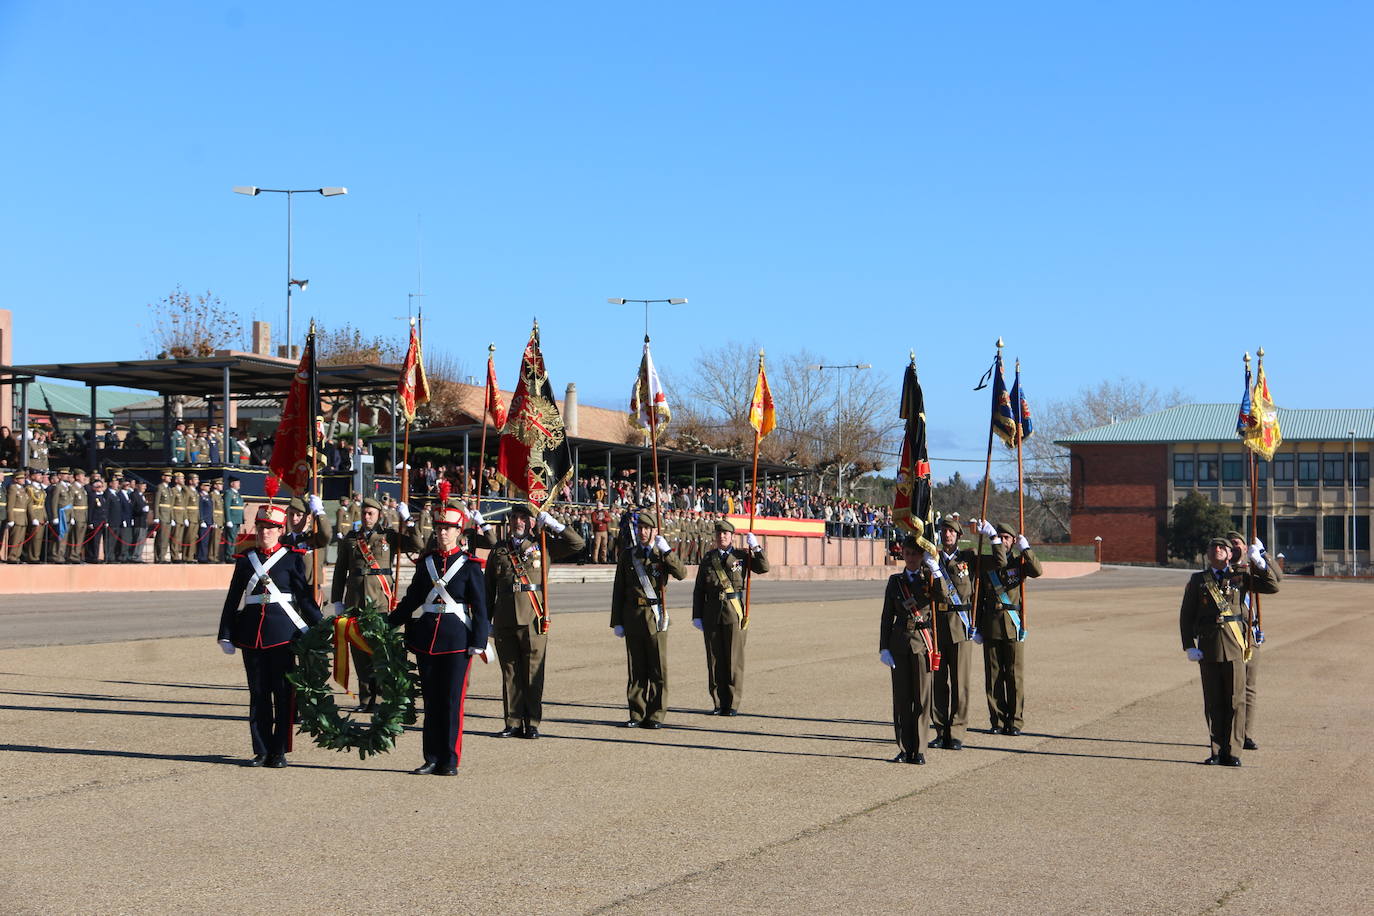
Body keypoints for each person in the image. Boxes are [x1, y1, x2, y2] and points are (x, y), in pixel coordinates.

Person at [217, 503, 323, 768]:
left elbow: (304, 597)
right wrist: (226, 634)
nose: (265, 533)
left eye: (271, 528)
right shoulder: (245, 560)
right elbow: (232, 599)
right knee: (258, 694)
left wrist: (322, 625)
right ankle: (261, 749)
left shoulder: (292, 558)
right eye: (262, 527)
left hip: (284, 635)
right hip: (251, 635)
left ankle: (279, 750)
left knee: (284, 694)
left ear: (280, 530)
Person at [388, 504, 491, 775]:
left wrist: (478, 641)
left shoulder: (469, 566)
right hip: (427, 640)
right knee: (431, 702)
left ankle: (450, 758)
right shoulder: (427, 563)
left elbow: (480, 608)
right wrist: (388, 623)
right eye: (439, 528)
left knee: (451, 702)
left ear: (459, 532)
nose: (443, 533)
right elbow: (411, 600)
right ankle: (431, 756)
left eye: (448, 528)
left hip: (457, 641)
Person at [485, 504, 585, 739]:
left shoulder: (543, 544)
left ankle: (532, 722)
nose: (518, 521)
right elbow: (487, 589)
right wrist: (486, 621)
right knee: (509, 671)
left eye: (523, 518)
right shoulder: (499, 550)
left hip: (533, 617)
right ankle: (512, 721)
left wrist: (555, 525)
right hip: (505, 617)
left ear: (532, 522)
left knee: (532, 672)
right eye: (514, 517)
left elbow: (577, 544)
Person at [1180, 536, 1279, 766]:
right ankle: (1216, 750)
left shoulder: (1241, 576)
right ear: (1207, 553)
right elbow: (1186, 616)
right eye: (1213, 546)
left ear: (1229, 553)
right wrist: (1189, 646)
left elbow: (1273, 586)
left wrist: (1261, 560)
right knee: (1213, 702)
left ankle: (1233, 752)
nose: (1218, 549)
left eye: (1222, 547)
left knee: (1235, 701)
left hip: (1235, 646)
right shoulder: (1197, 580)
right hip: (1209, 647)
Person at [330, 496, 423, 711]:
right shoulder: (351, 538)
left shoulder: (389, 536)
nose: (366, 516)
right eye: (364, 513)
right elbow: (339, 571)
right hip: (355, 600)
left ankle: (380, 697)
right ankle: (365, 698)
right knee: (359, 652)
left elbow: (418, 544)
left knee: (379, 650)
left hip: (380, 601)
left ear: (379, 515)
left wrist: (409, 519)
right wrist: (336, 599)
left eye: (371, 513)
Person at [610, 508, 686, 729]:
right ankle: (636, 712)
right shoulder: (628, 555)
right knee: (636, 668)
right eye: (640, 527)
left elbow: (681, 573)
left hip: (655, 617)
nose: (642, 532)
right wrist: (617, 621)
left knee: (657, 669)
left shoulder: (661, 554)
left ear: (654, 531)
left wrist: (668, 552)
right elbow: (619, 590)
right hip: (633, 616)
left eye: (647, 528)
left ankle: (656, 714)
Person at [691, 518, 768, 716]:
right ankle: (718, 702)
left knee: (734, 660)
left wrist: (757, 548)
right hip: (711, 613)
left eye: (725, 534)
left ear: (732, 536)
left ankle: (732, 703)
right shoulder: (708, 558)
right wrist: (697, 615)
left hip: (734, 612)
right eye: (719, 534)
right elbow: (699, 589)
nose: (722, 536)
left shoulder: (741, 556)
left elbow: (763, 567)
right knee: (715, 660)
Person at [971, 520, 1040, 736]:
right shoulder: (987, 563)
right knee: (993, 676)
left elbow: (1037, 570)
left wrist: (1026, 549)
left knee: (1013, 675)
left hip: (1013, 624)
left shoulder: (1019, 563)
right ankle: (998, 721)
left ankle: (1015, 721)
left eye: (1006, 538)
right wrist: (978, 626)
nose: (1002, 541)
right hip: (991, 623)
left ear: (1013, 541)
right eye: (998, 537)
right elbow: (979, 596)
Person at [879, 534, 941, 765]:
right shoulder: (895, 582)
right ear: (902, 555)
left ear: (922, 555)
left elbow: (944, 598)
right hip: (899, 646)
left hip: (923, 645)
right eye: (907, 553)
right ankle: (905, 748)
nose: (911, 558)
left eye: (915, 554)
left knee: (923, 700)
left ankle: (920, 748)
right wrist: (884, 647)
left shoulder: (930, 580)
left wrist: (937, 573)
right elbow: (887, 617)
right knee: (902, 700)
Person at [1225, 530, 1279, 752]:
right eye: (1230, 545)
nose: (1234, 547)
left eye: (1237, 543)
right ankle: (1228, 734)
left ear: (1246, 548)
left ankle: (1245, 734)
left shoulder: (1251, 571)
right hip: (1229, 636)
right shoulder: (1225, 572)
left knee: (1248, 689)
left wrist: (1262, 557)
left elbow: (1275, 582)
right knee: (1228, 688)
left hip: (1250, 637)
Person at [929, 517, 979, 750]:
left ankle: (957, 731)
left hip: (961, 628)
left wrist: (994, 539)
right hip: (938, 628)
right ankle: (940, 730)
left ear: (959, 535)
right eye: (943, 531)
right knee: (938, 683)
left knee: (960, 683)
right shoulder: (932, 559)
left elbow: (998, 561)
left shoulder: (968, 558)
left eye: (951, 531)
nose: (947, 534)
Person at [5, 469, 32, 563]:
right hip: (16, 517)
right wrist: (11, 518)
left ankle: (17, 556)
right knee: (15, 538)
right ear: (16, 479)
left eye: (24, 478)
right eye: (21, 478)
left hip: (23, 517)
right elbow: (10, 505)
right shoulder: (13, 488)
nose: (23, 480)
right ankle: (12, 556)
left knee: (20, 539)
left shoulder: (23, 489)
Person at [153, 469, 175, 562]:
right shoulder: (160, 487)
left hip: (168, 516)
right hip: (162, 515)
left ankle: (163, 555)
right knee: (161, 538)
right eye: (168, 476)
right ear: (163, 477)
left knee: (166, 538)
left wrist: (172, 517)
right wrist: (156, 516)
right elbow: (156, 503)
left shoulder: (169, 489)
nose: (170, 478)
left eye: (170, 476)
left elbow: (171, 505)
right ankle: (159, 557)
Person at [223, 477, 244, 562]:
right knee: (230, 538)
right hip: (232, 519)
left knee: (234, 538)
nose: (239, 484)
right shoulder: (229, 493)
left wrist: (242, 519)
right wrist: (228, 520)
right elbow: (226, 507)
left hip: (237, 520)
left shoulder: (237, 494)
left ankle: (233, 554)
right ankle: (229, 556)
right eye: (237, 482)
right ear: (232, 484)